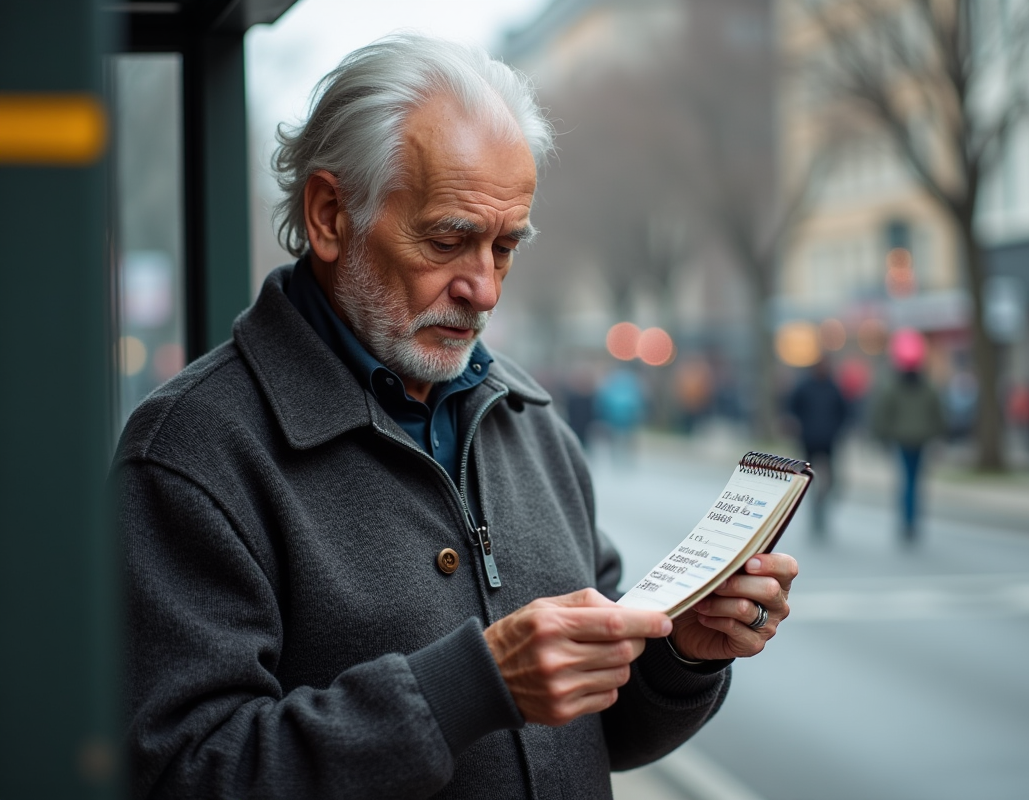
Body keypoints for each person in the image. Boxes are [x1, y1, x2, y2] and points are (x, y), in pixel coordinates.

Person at [115, 35, 799, 799]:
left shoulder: (533, 423)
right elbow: (184, 773)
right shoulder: (192, 454)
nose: (485, 288)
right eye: (449, 239)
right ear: (331, 214)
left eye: (506, 247)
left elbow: (606, 732)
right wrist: (466, 689)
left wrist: (685, 657)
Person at [869, 329, 944, 544]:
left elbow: (883, 413)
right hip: (921, 438)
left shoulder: (893, 386)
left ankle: (907, 520)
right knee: (916, 481)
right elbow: (937, 413)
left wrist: (881, 436)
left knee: (907, 481)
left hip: (901, 439)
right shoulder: (928, 386)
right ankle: (912, 520)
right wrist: (938, 435)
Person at [785, 358, 849, 536]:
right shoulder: (804, 387)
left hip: (828, 440)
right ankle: (814, 510)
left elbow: (844, 411)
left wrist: (837, 430)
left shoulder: (833, 387)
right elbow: (792, 407)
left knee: (832, 480)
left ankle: (821, 505)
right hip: (809, 440)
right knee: (808, 479)